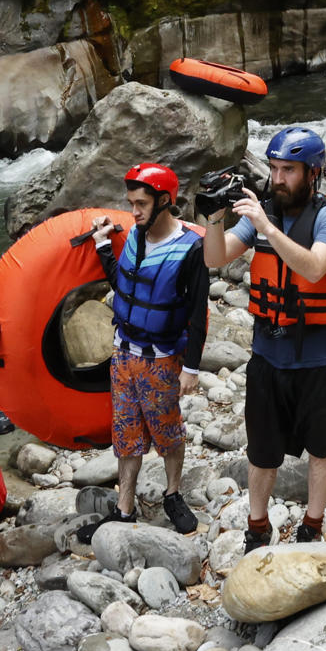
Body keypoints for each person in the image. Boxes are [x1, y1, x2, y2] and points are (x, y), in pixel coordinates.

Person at [202, 127, 326, 549]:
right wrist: (213, 216)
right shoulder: (263, 213)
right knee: (261, 452)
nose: (278, 177)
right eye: (273, 168)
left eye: (289, 170)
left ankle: (312, 525)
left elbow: (313, 268)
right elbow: (215, 257)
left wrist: (266, 227)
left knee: (321, 450)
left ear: (313, 173)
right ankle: (257, 526)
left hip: (318, 359)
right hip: (268, 357)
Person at [77, 163, 209, 540]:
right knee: (126, 434)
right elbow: (124, 284)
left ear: (165, 201)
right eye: (130, 203)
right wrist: (104, 245)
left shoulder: (190, 250)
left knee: (168, 433)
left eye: (141, 204)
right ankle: (124, 508)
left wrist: (193, 369)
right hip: (123, 354)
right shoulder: (135, 235)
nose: (133, 211)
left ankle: (172, 495)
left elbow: (198, 313)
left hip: (161, 359)